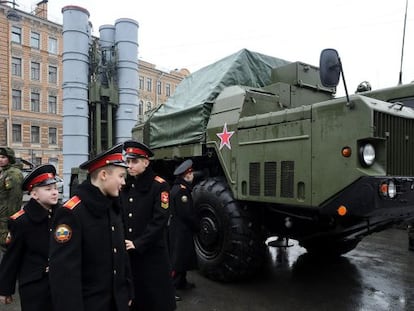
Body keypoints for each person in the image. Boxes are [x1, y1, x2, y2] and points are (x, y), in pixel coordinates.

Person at [49, 143, 133, 311]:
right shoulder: (72, 213)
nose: (124, 182)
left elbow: (120, 255)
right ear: (103, 174)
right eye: (121, 176)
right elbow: (65, 276)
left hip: (116, 302)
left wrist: (127, 292)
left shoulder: (112, 206)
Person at [121, 140, 176, 311]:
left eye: (134, 162)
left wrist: (138, 243)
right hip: (130, 252)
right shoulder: (126, 186)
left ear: (146, 162)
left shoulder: (159, 185)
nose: (130, 166)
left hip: (152, 253)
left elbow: (159, 221)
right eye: (128, 162)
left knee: (155, 298)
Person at [0, 164, 60, 310]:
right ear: (34, 195)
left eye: (55, 188)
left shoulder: (62, 215)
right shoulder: (22, 221)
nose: (54, 193)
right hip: (34, 285)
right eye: (48, 189)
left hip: (60, 282)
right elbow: (12, 257)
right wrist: (5, 290)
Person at [169, 159, 200, 290]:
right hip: (181, 231)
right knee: (178, 259)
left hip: (178, 230)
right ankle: (173, 287)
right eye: (191, 174)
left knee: (182, 257)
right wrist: (197, 227)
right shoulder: (182, 192)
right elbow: (186, 214)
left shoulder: (176, 188)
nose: (192, 176)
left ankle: (182, 282)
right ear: (186, 175)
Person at [0, 147, 23, 262]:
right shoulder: (4, 172)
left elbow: (15, 197)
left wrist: (11, 219)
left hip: (7, 216)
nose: (0, 159)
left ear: (10, 159)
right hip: (2, 214)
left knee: (7, 244)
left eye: (3, 157)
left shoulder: (13, 174)